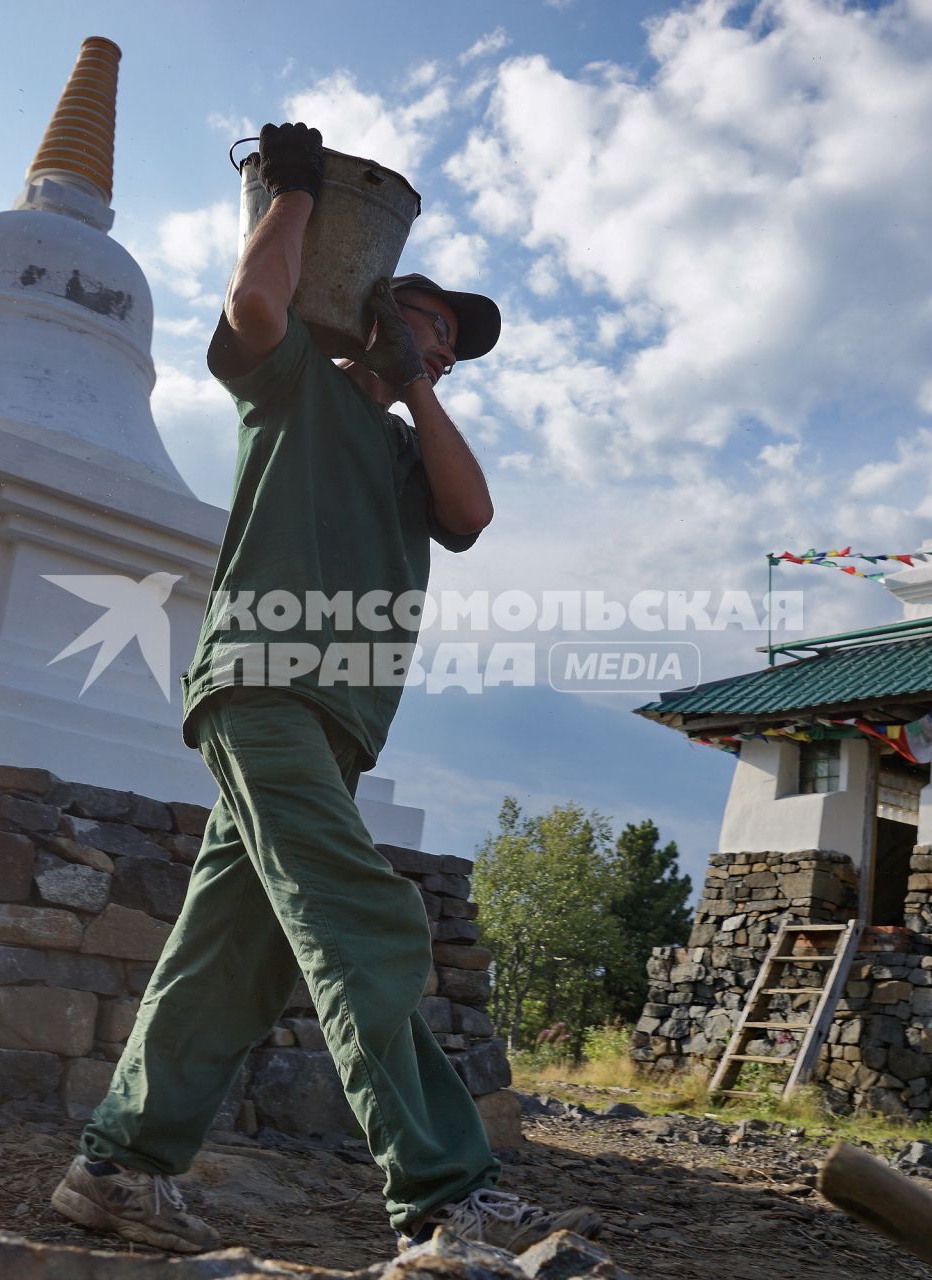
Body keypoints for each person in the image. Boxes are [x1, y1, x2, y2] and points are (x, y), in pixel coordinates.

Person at [49, 122, 598, 1256]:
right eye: (429, 318)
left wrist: (416, 386)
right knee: (364, 916)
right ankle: (449, 1197)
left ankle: (117, 1170)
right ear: (373, 300)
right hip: (263, 687)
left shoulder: (409, 455)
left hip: (338, 727)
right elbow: (258, 303)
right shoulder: (294, 382)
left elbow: (473, 514)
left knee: (229, 954)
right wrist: (293, 196)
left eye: (451, 343)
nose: (440, 346)